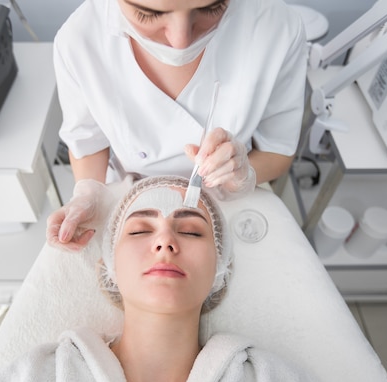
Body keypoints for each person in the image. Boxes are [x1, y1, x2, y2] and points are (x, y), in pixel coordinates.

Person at [0, 176, 353, 382]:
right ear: (107, 267)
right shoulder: (41, 378)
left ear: (220, 271)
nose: (165, 241)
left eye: (192, 231)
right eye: (140, 231)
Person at [47, 0, 308, 251]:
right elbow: (88, 143)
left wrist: (242, 174)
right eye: (147, 14)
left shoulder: (277, 28)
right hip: (129, 192)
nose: (180, 41)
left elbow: (278, 151)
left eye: (211, 8)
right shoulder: (79, 40)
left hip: (229, 202)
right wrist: (89, 194)